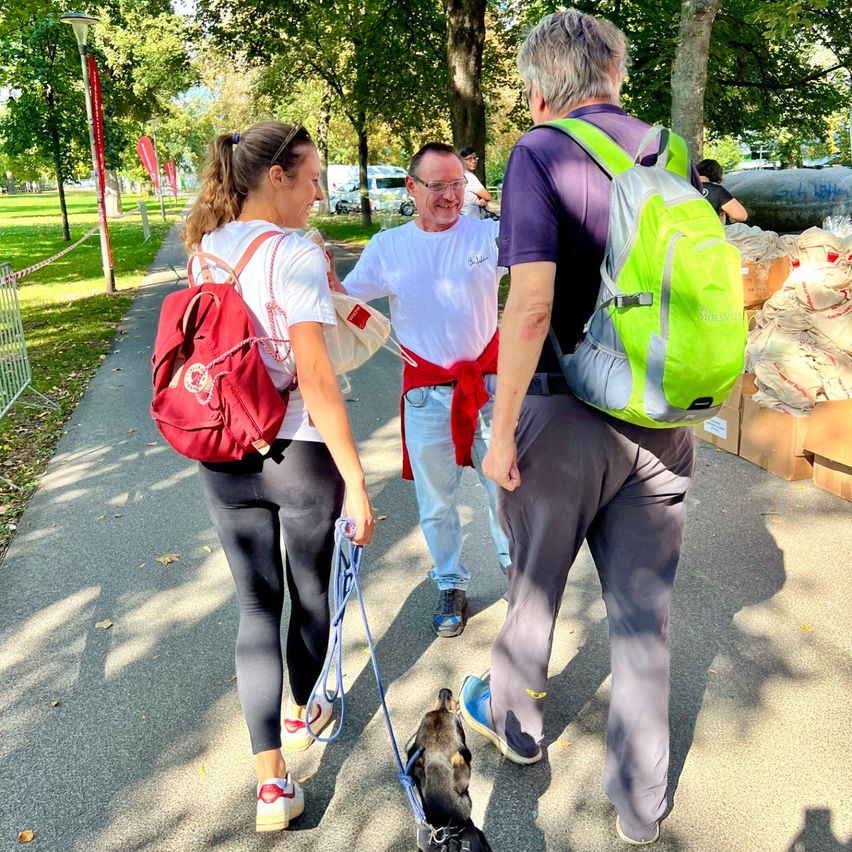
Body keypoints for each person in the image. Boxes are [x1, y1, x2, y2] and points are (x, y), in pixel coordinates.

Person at [458, 10, 699, 846]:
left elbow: (529, 306)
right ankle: (641, 805)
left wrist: (499, 433)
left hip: (563, 413)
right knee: (642, 623)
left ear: (538, 90)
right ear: (615, 75)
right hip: (660, 419)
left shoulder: (539, 152)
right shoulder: (668, 151)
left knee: (534, 590)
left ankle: (518, 728)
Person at [182, 121, 375, 833]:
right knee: (312, 592)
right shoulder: (292, 252)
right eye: (312, 178)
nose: (319, 192)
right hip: (297, 447)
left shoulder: (205, 249)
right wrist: (358, 480)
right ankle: (303, 709)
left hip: (224, 445)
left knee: (256, 606)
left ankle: (271, 783)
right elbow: (316, 378)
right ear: (275, 178)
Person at [330, 142, 511, 638]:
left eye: (458, 184)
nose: (451, 195)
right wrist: (323, 276)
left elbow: (541, 266)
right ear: (412, 187)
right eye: (438, 186)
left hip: (489, 390)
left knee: (505, 492)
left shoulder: (490, 235)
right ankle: (450, 582)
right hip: (426, 396)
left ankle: (518, 575)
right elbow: (346, 300)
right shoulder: (389, 246)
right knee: (436, 504)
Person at [697, 158, 748, 224]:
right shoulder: (717, 191)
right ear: (716, 174)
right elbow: (741, 216)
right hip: (708, 229)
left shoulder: (686, 187)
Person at [458, 147, 493, 218]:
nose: (473, 161)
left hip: (462, 215)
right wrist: (484, 199)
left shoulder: (457, 175)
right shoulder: (469, 176)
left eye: (475, 158)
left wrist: (483, 199)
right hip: (474, 217)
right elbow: (488, 196)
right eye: (469, 158)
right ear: (461, 160)